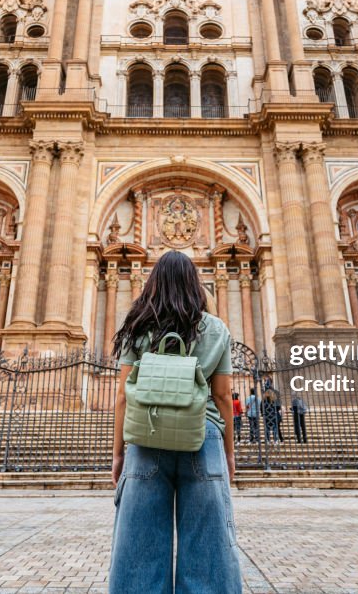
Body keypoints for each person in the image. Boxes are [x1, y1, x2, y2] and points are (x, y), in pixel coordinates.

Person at [109, 250, 242, 593]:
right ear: (195, 284)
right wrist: (228, 453)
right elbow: (223, 397)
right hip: (203, 437)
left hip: (146, 436)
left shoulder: (138, 326)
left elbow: (123, 395)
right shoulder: (216, 329)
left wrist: (118, 453)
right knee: (208, 545)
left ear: (153, 283)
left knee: (138, 546)